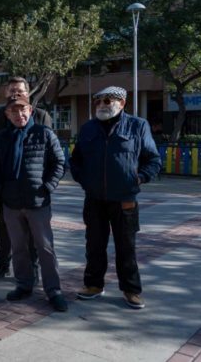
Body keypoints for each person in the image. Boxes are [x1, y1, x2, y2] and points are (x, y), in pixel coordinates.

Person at [70, 86, 161, 309]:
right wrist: (85, 181)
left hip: (124, 199)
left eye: (108, 100)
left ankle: (131, 290)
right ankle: (93, 285)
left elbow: (153, 160)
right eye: (98, 101)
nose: (101, 105)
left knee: (126, 247)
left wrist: (138, 178)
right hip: (94, 199)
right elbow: (76, 160)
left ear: (122, 103)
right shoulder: (88, 128)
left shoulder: (137, 126)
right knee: (94, 245)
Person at [0, 95, 68, 312]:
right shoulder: (2, 138)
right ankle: (24, 284)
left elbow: (59, 162)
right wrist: (2, 190)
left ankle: (53, 290)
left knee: (45, 247)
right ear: (7, 114)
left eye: (22, 110)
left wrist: (48, 186)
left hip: (38, 202)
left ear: (30, 110)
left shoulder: (44, 134)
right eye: (14, 111)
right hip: (12, 204)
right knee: (19, 247)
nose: (19, 114)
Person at [0, 76, 54, 281]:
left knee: (35, 234)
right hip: (5, 189)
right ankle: (2, 265)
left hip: (34, 190)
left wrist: (46, 186)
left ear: (28, 94)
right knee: (4, 228)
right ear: (5, 94)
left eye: (20, 91)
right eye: (11, 91)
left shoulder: (41, 116)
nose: (15, 94)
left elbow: (51, 156)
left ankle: (32, 268)